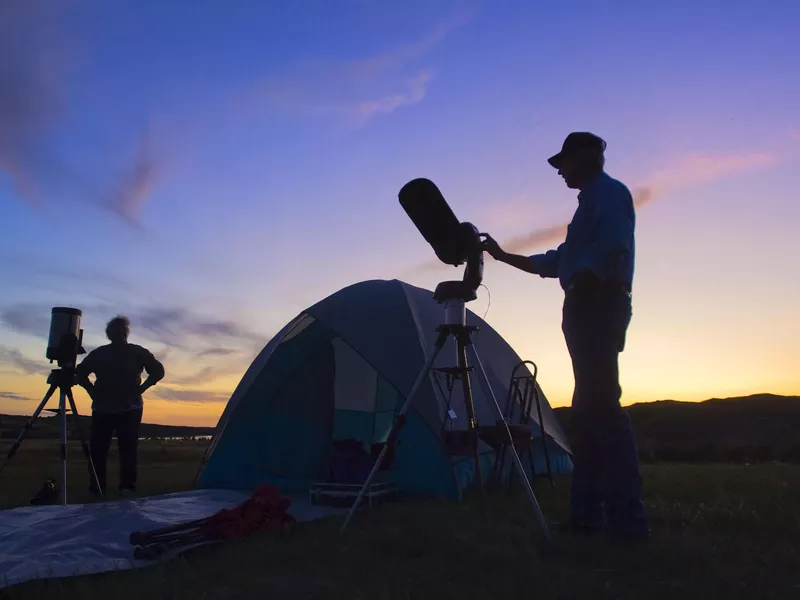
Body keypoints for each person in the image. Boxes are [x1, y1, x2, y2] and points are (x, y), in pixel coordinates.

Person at [481, 132, 650, 541]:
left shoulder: (608, 195)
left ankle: (628, 524)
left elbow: (610, 248)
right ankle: (588, 517)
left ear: (589, 157)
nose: (560, 171)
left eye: (565, 162)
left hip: (596, 305)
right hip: (586, 306)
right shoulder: (588, 205)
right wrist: (504, 256)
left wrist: (587, 284)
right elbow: (557, 261)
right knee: (588, 414)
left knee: (602, 410)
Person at [76, 315, 165, 496]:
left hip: (130, 408)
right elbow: (80, 373)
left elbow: (158, 371)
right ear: (110, 334)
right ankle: (97, 488)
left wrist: (142, 388)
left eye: (120, 330)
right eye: (114, 331)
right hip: (102, 408)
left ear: (125, 333)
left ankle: (127, 487)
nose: (117, 334)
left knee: (128, 448)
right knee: (98, 450)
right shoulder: (100, 353)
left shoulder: (137, 352)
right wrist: (91, 391)